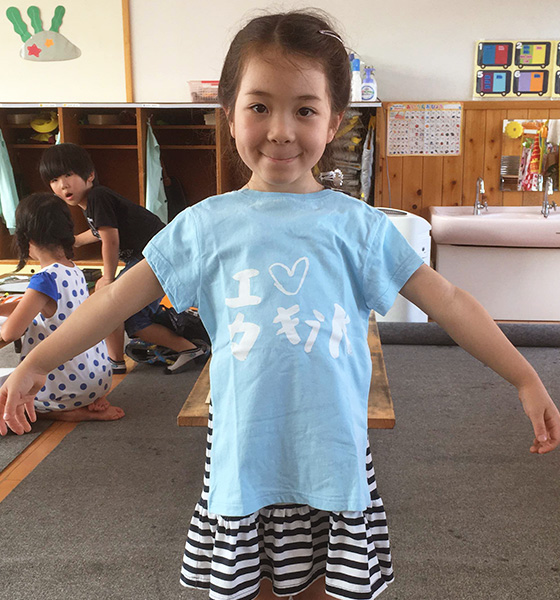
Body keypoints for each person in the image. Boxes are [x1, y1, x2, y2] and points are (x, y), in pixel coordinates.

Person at [1, 10, 559, 600]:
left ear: (334, 120)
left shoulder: (358, 227)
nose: (281, 130)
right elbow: (114, 298)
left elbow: (448, 301)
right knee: (253, 585)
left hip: (332, 448)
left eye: (305, 110)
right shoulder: (205, 226)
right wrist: (35, 362)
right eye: (260, 106)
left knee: (328, 583)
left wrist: (525, 377)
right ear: (230, 114)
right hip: (246, 448)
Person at [39, 143, 208, 374]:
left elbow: (110, 240)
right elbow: (100, 232)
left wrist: (108, 278)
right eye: (54, 180)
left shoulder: (97, 197)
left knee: (116, 306)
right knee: (128, 314)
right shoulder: (92, 203)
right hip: (153, 256)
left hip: (157, 255)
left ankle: (185, 349)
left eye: (68, 175)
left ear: (90, 175)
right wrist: (75, 241)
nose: (63, 185)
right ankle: (119, 359)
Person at [0, 192, 122, 425]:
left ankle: (66, 413)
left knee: (9, 394)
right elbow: (34, 305)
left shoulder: (44, 279)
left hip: (66, 391)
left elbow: (10, 333)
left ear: (27, 240)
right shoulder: (74, 270)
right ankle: (87, 402)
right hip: (97, 380)